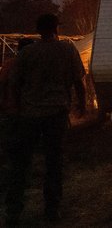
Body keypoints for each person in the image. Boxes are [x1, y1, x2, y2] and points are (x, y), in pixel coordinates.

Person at [4, 13, 86, 226]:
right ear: (56, 29)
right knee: (54, 163)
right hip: (56, 115)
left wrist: (15, 107)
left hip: (29, 115)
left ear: (39, 30)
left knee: (21, 163)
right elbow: (79, 80)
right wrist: (82, 105)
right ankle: (52, 210)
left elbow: (14, 83)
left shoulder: (27, 53)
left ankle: (13, 210)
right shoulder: (67, 49)